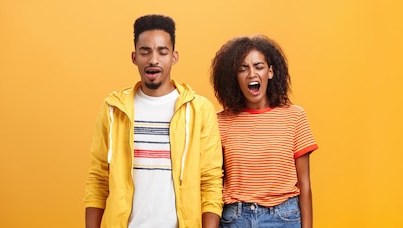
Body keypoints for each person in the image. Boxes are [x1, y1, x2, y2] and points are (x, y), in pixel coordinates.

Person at [84, 14, 223, 228]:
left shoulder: (199, 110)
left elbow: (211, 181)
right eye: (145, 52)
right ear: (134, 57)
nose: (153, 59)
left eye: (162, 51)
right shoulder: (114, 109)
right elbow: (98, 179)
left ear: (174, 57)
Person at [210, 35, 319, 228]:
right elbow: (213, 185)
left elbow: (305, 185)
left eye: (258, 66)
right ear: (234, 77)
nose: (252, 74)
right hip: (235, 219)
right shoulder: (220, 121)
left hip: (284, 218)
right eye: (243, 69)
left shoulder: (295, 116)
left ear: (270, 72)